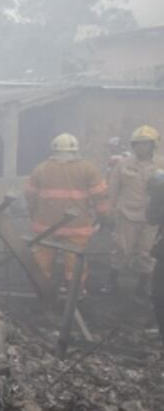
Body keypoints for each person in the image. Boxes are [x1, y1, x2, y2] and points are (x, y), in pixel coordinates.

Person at [24, 133, 109, 293]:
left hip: (45, 225)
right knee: (74, 261)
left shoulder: (40, 169)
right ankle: (75, 290)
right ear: (76, 150)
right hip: (77, 226)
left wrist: (34, 215)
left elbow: (30, 196)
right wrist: (103, 216)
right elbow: (101, 196)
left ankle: (42, 289)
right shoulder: (88, 168)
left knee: (42, 259)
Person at [106, 125, 163, 295]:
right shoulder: (123, 164)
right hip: (127, 215)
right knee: (121, 249)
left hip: (152, 218)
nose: (141, 147)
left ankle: (142, 286)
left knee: (147, 253)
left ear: (153, 145)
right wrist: (109, 211)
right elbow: (113, 189)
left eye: (145, 143)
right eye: (137, 144)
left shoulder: (161, 164)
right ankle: (112, 282)